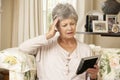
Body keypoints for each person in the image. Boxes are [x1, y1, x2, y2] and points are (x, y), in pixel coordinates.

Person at [19, 3, 98, 80]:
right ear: (56, 27)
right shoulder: (45, 45)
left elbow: (90, 78)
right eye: (64, 25)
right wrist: (48, 35)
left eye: (72, 24)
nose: (70, 28)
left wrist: (93, 75)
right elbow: (23, 48)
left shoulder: (86, 50)